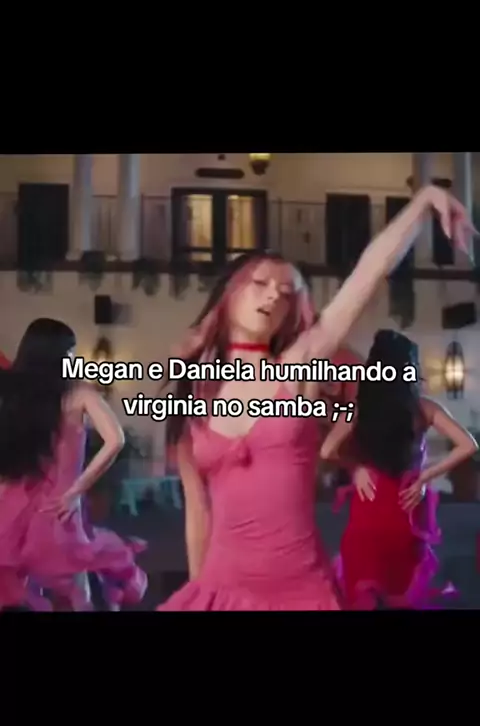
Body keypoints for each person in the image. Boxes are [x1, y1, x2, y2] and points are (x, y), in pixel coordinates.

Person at [157, 185, 474, 611]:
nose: (274, 295)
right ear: (229, 293)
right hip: (222, 589)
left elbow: (368, 274)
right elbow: (198, 512)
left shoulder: (298, 365)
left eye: (287, 293)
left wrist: (422, 203)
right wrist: (201, 594)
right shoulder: (193, 390)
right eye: (261, 283)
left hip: (301, 590)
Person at [321, 329, 478, 609]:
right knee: (403, 595)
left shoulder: (360, 409)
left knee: (364, 595)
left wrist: (357, 468)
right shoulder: (423, 408)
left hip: (369, 508)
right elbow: (468, 445)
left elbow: (326, 450)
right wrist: (426, 476)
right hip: (406, 509)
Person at [0, 318, 147, 611]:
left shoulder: (14, 399)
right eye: (71, 352)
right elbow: (116, 440)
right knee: (77, 589)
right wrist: (77, 489)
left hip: (14, 505)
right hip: (58, 508)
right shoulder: (79, 395)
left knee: (20, 585)